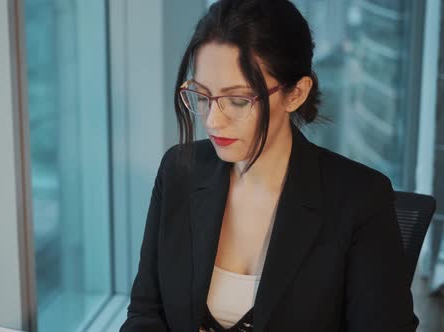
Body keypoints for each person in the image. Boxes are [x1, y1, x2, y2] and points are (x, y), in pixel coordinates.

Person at [119, 0, 419, 331]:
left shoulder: (360, 199)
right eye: (202, 96)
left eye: (237, 100)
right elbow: (146, 313)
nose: (213, 121)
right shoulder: (179, 171)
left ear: (296, 94)